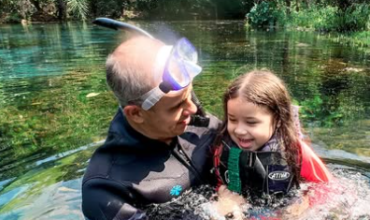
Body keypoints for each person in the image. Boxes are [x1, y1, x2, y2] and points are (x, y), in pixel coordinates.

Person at [81, 34, 221, 220]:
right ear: (136, 113)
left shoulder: (199, 124)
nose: (193, 108)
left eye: (189, 96)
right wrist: (218, 212)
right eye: (176, 106)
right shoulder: (107, 191)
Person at [209, 70, 332, 219]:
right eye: (233, 120)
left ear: (278, 119)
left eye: (251, 122)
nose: (240, 130)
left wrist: (306, 203)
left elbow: (327, 188)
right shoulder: (222, 149)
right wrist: (223, 197)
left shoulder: (295, 151)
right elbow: (219, 180)